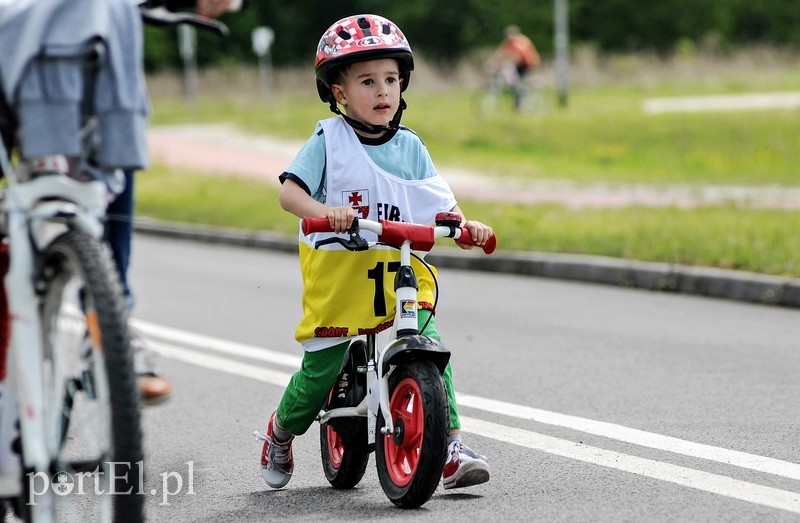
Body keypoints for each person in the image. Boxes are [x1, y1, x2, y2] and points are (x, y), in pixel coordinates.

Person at [254, 14, 494, 491]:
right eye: (367, 81)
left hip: (400, 270)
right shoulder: (329, 141)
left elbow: (441, 206)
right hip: (341, 279)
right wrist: (325, 211)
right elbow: (289, 194)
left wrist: (466, 227)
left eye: (391, 79)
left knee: (430, 347)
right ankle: (280, 432)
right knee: (319, 375)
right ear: (339, 92)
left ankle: (449, 448)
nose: (383, 90)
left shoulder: (411, 147)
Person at [486, 24, 541, 111]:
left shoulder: (521, 42)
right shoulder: (508, 42)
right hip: (518, 64)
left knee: (518, 83)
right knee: (512, 83)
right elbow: (501, 52)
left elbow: (518, 55)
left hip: (527, 64)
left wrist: (505, 63)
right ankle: (517, 103)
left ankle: (521, 102)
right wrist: (492, 61)